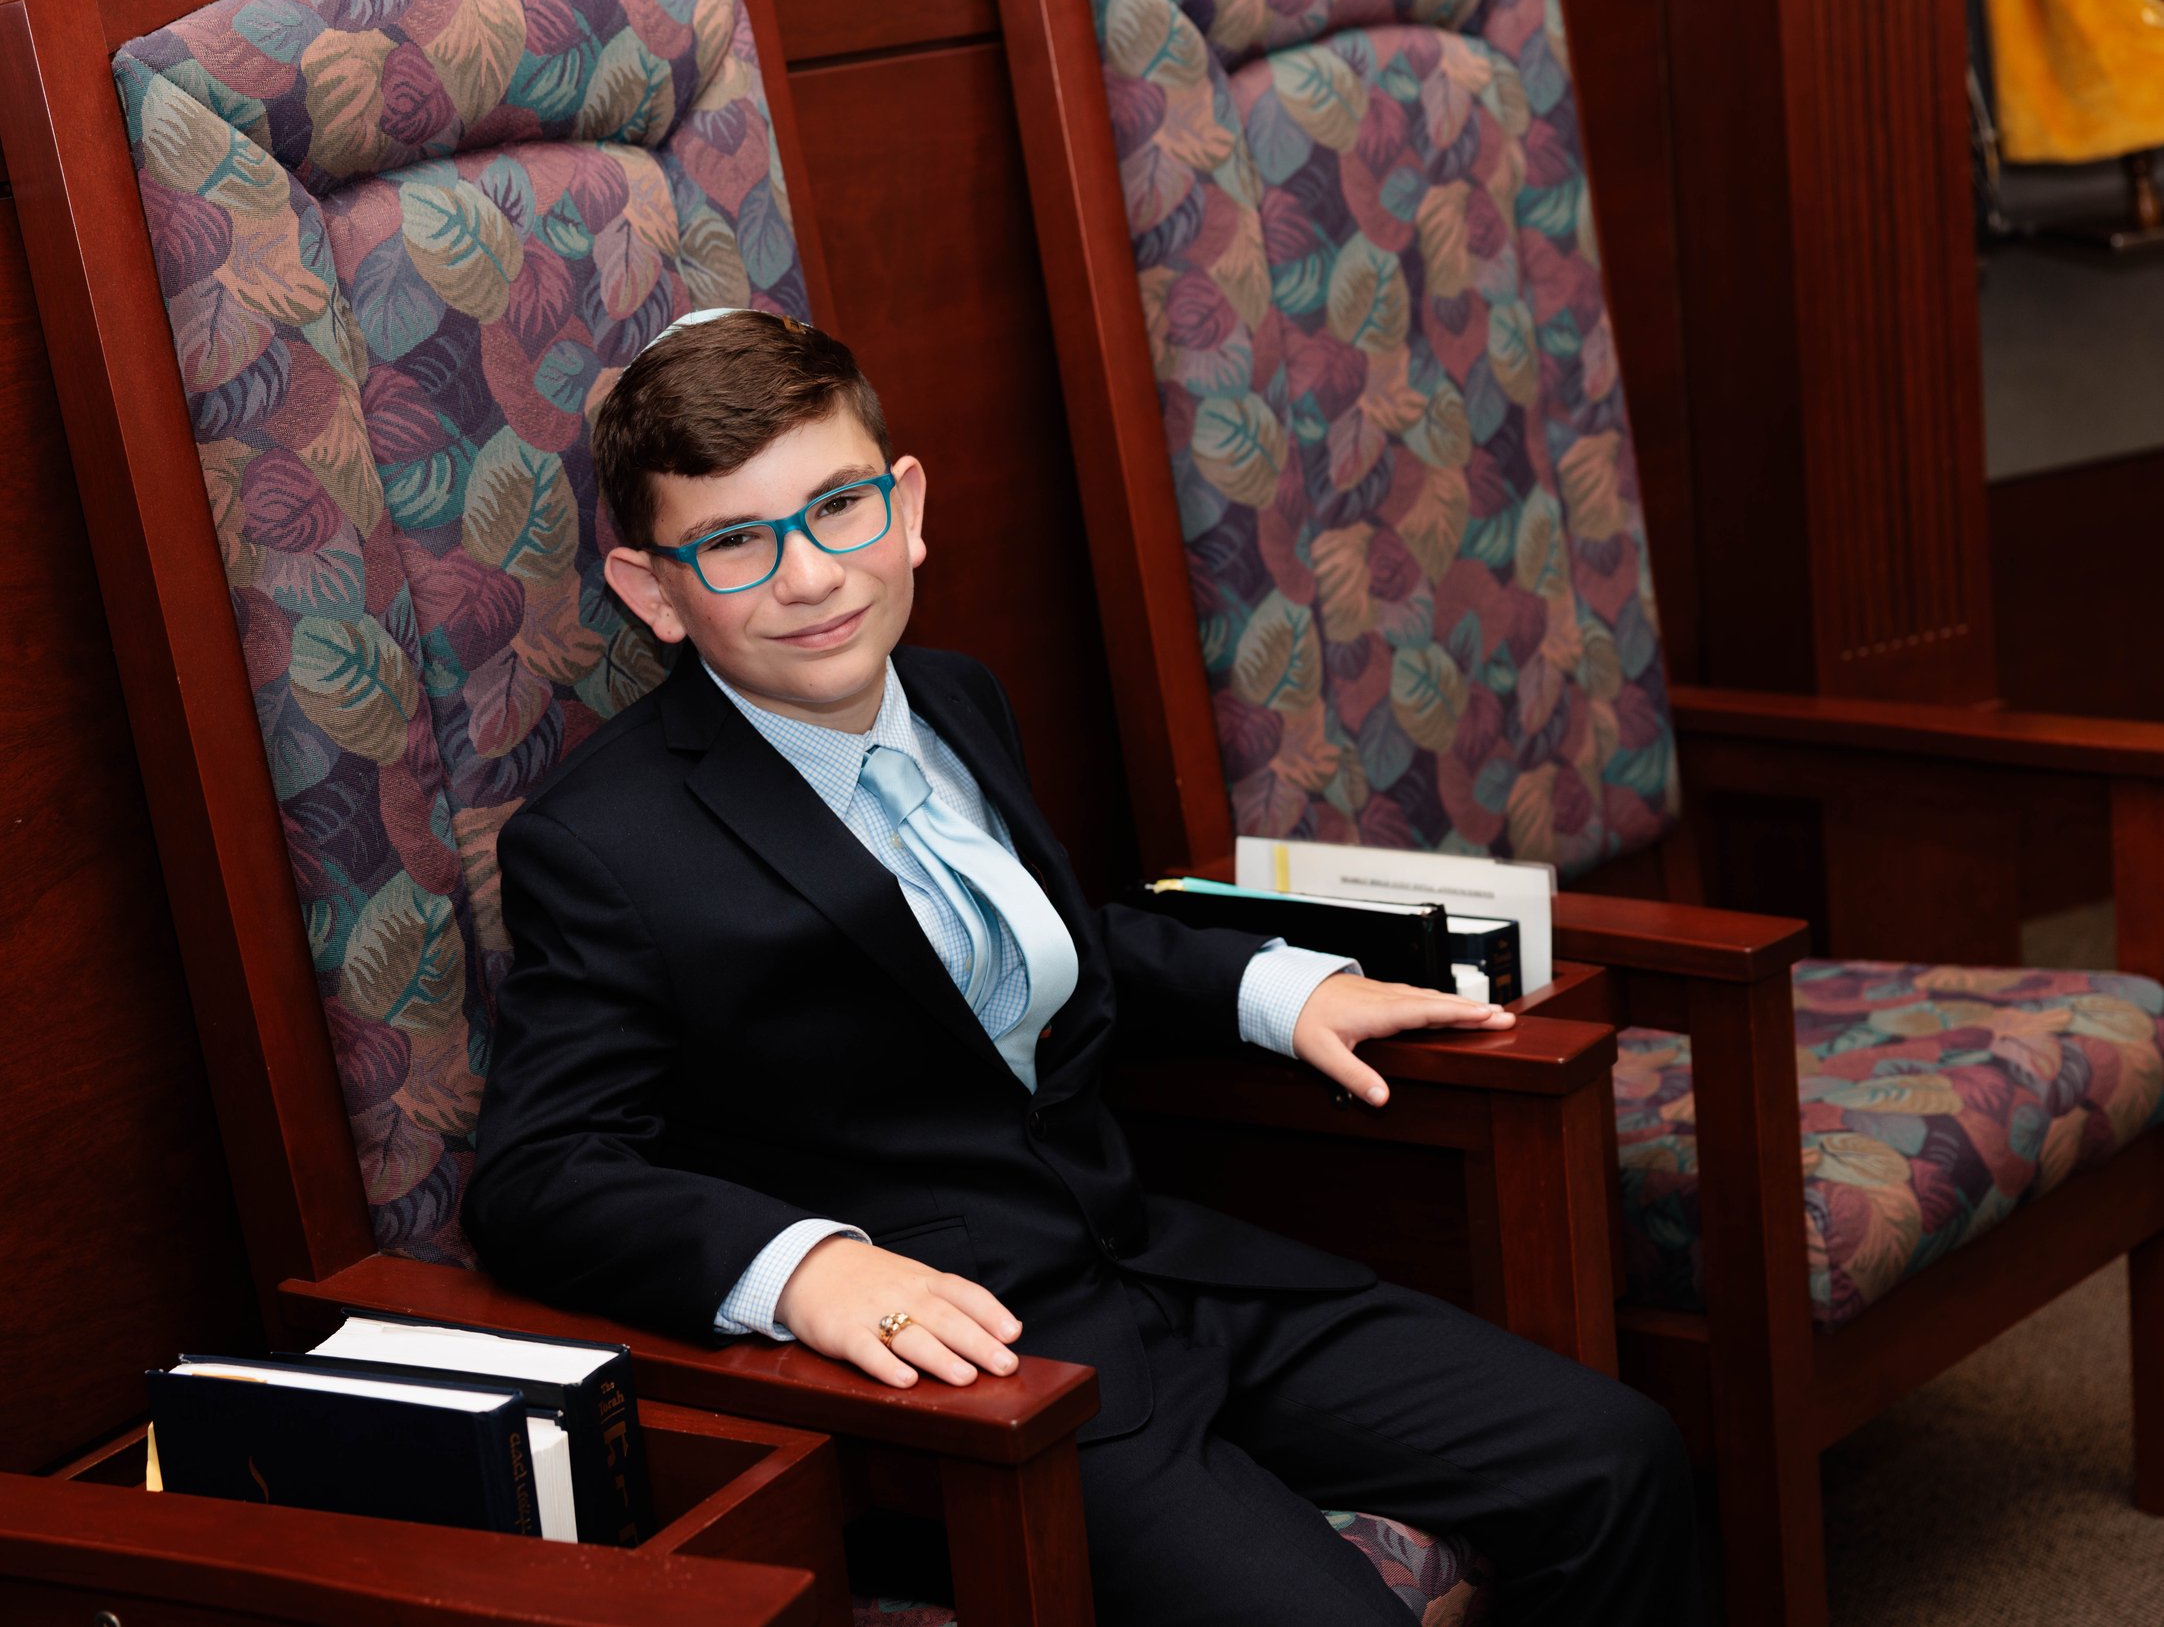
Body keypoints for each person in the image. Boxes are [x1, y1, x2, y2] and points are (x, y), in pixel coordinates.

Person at [464, 309, 1703, 1625]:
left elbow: (1032, 949)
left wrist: (1277, 988)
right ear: (653, 590)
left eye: (839, 508)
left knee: (1618, 1461)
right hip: (984, 1373)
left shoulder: (953, 697)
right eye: (735, 542)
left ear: (908, 505)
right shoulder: (602, 843)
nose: (814, 575)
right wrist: (808, 1268)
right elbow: (539, 1177)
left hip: (1155, 1263)